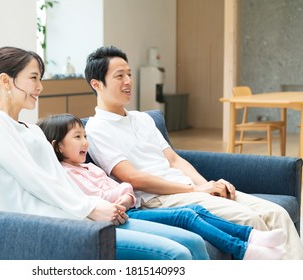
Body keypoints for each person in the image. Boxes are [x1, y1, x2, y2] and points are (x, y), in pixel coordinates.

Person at [0, 46, 210, 260]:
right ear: (6, 81)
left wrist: (102, 204)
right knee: (177, 254)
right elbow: (35, 181)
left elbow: (61, 179)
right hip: (47, 226)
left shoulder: (33, 131)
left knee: (193, 242)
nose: (40, 87)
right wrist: (89, 209)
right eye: (33, 78)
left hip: (79, 217)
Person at [83, 45, 303, 260]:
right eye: (120, 76)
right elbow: (132, 178)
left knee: (277, 214)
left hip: (188, 189)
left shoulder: (143, 119)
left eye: (129, 74)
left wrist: (208, 185)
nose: (129, 81)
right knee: (250, 219)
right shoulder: (96, 129)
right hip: (159, 199)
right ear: (97, 84)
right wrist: (196, 189)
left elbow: (174, 159)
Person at [37, 113, 286, 260]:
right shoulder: (67, 173)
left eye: (85, 136)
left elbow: (122, 190)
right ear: (58, 146)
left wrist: (123, 194)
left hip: (129, 209)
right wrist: (123, 194)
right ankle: (244, 249)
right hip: (125, 216)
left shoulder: (89, 167)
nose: (85, 143)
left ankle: (250, 237)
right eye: (77, 137)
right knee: (187, 215)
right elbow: (106, 195)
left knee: (199, 212)